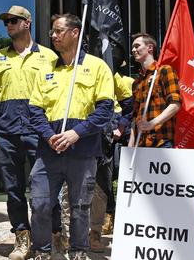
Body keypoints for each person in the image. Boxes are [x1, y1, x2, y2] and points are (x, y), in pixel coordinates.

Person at [28, 13, 114, 260]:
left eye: (58, 31)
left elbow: (105, 110)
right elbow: (34, 110)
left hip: (83, 150)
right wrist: (49, 136)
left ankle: (78, 251)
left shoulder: (97, 66)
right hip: (48, 151)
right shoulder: (46, 69)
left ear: (75, 32)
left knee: (79, 208)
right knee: (41, 204)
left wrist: (76, 133)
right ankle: (42, 252)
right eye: (52, 32)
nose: (53, 36)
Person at [0, 5, 59, 260]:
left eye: (14, 21)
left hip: (40, 131)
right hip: (5, 132)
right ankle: (22, 238)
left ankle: (52, 238)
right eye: (6, 22)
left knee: (45, 189)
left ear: (27, 22)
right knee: (13, 190)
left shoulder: (48, 56)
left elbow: (59, 92)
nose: (9, 25)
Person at [89, 70, 134, 250]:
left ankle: (108, 219)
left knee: (108, 180)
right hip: (91, 127)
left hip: (113, 133)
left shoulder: (120, 78)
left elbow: (129, 105)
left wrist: (121, 128)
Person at [128, 32, 181, 148]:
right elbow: (135, 116)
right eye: (132, 47)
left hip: (162, 141)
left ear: (150, 47)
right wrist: (131, 144)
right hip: (140, 143)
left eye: (137, 46)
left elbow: (175, 104)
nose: (133, 50)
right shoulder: (136, 82)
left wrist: (152, 124)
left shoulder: (165, 71)